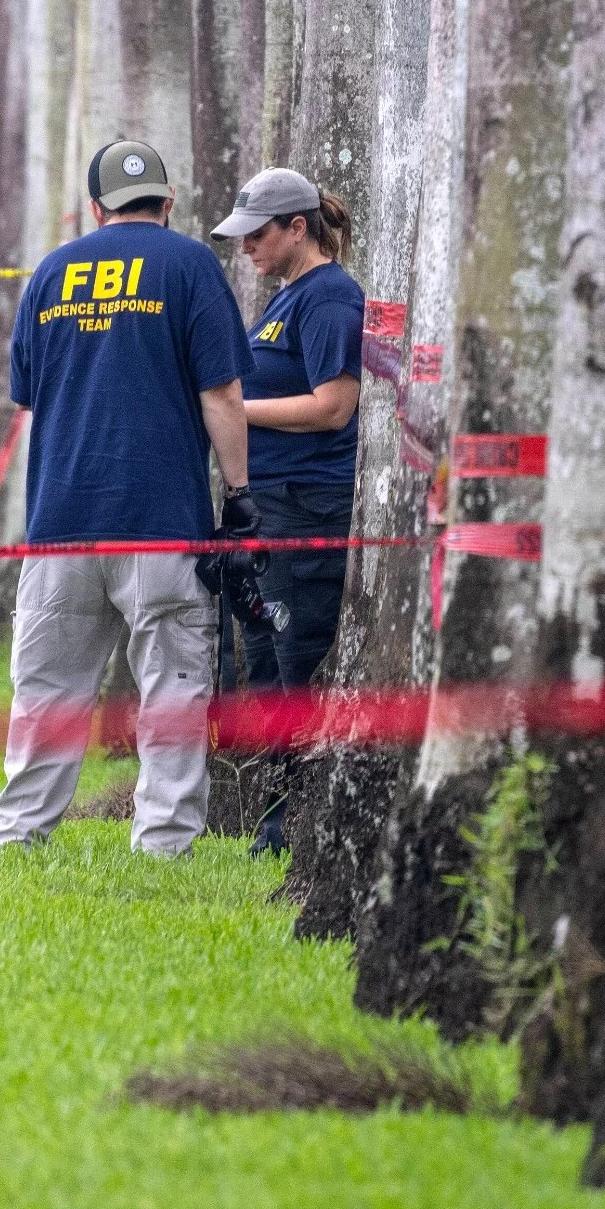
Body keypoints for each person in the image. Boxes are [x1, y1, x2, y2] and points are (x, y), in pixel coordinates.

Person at [0, 140, 257, 856]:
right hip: (163, 522)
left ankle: (18, 836)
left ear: (95, 208)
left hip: (61, 522)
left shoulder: (49, 275)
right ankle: (163, 842)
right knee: (172, 690)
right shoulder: (191, 265)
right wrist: (240, 494)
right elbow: (222, 395)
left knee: (47, 693)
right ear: (168, 204)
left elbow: (26, 396)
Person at [210, 167, 363, 854]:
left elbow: (334, 405)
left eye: (257, 234)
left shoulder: (328, 299)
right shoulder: (284, 299)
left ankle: (290, 825)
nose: (246, 247)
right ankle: (272, 823)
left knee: (294, 660)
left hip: (306, 510)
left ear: (297, 227)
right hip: (268, 510)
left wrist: (232, 410)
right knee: (267, 663)